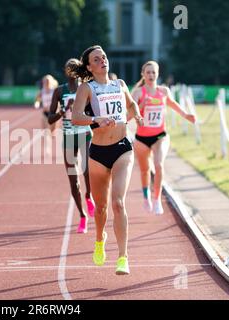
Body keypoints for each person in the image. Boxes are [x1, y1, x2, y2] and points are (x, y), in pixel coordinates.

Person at [72, 45, 143, 275]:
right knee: (101, 208)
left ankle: (123, 257)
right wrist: (97, 120)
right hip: (99, 154)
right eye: (96, 58)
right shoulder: (87, 88)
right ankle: (99, 239)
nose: (103, 60)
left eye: (103, 56)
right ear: (90, 67)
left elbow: (131, 105)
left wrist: (135, 115)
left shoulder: (119, 84)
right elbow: (76, 117)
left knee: (118, 202)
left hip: (123, 148)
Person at [131, 61, 195, 214]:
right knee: (145, 170)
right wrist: (141, 106)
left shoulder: (164, 91)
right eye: (148, 72)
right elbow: (130, 115)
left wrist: (186, 115)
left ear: (158, 74)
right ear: (143, 74)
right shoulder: (138, 93)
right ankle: (146, 197)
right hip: (141, 138)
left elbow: (172, 104)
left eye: (153, 72)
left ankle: (157, 198)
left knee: (158, 165)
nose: (151, 75)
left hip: (160, 135)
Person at [48, 59, 95, 234]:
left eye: (75, 68)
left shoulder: (87, 88)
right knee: (73, 179)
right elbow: (50, 119)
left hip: (84, 134)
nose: (72, 71)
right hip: (68, 137)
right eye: (69, 68)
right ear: (65, 71)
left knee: (88, 168)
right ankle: (82, 216)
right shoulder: (60, 91)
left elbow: (95, 110)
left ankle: (89, 195)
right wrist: (62, 111)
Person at [33, 74, 59, 154]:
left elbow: (58, 101)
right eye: (45, 81)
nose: (46, 82)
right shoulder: (42, 91)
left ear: (50, 81)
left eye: (47, 81)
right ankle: (47, 148)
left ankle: (53, 133)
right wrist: (37, 104)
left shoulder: (54, 90)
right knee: (45, 132)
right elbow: (37, 99)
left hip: (53, 113)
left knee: (52, 133)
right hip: (45, 113)